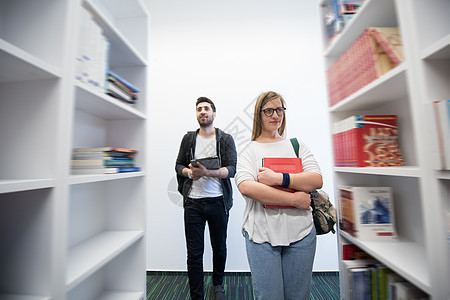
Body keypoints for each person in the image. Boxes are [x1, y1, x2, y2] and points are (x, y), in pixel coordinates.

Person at [234, 91, 323, 300]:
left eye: (280, 109)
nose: (276, 115)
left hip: (301, 233)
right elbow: (247, 187)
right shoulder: (250, 150)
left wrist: (278, 178)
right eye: (269, 110)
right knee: (269, 296)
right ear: (259, 114)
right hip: (261, 237)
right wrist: (293, 199)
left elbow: (316, 179)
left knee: (298, 296)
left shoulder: (296, 145)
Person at [175, 97, 237, 300]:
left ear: (214, 114)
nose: (203, 112)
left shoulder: (225, 139)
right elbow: (178, 165)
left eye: (207, 109)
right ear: (196, 114)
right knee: (194, 254)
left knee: (219, 248)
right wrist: (188, 173)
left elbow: (232, 170)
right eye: (199, 109)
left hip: (217, 202)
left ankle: (217, 284)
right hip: (193, 203)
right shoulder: (189, 139)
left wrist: (207, 173)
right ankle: (197, 295)